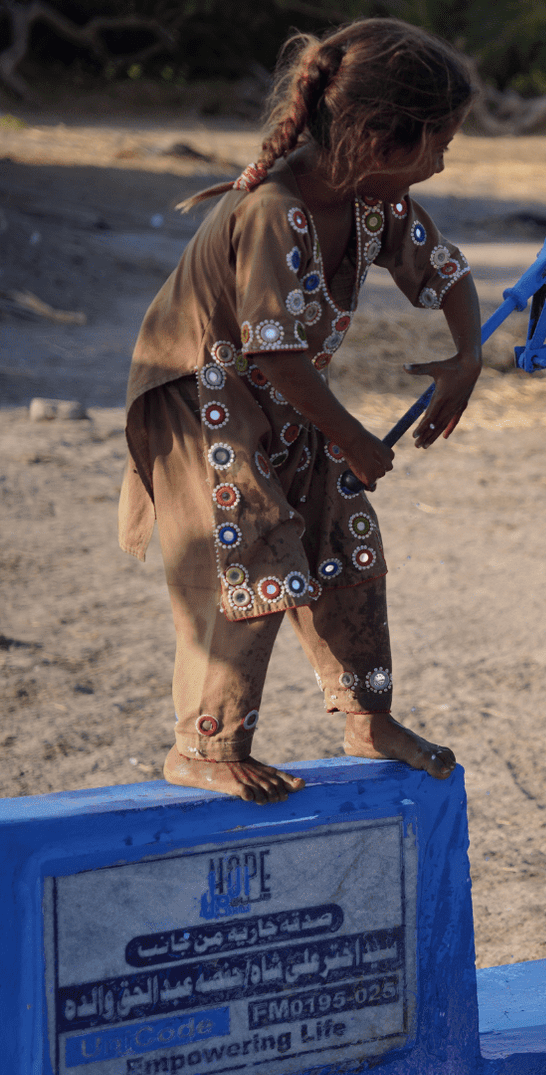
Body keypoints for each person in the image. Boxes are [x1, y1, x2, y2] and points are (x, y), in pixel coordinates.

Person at [117, 18, 482, 805]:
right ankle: (203, 747)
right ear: (381, 139)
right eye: (439, 143)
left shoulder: (373, 202)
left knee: (349, 549)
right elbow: (275, 353)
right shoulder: (273, 210)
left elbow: (447, 272)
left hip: (286, 400)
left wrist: (468, 357)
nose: (443, 162)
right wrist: (353, 439)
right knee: (252, 559)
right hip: (203, 401)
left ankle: (367, 715)